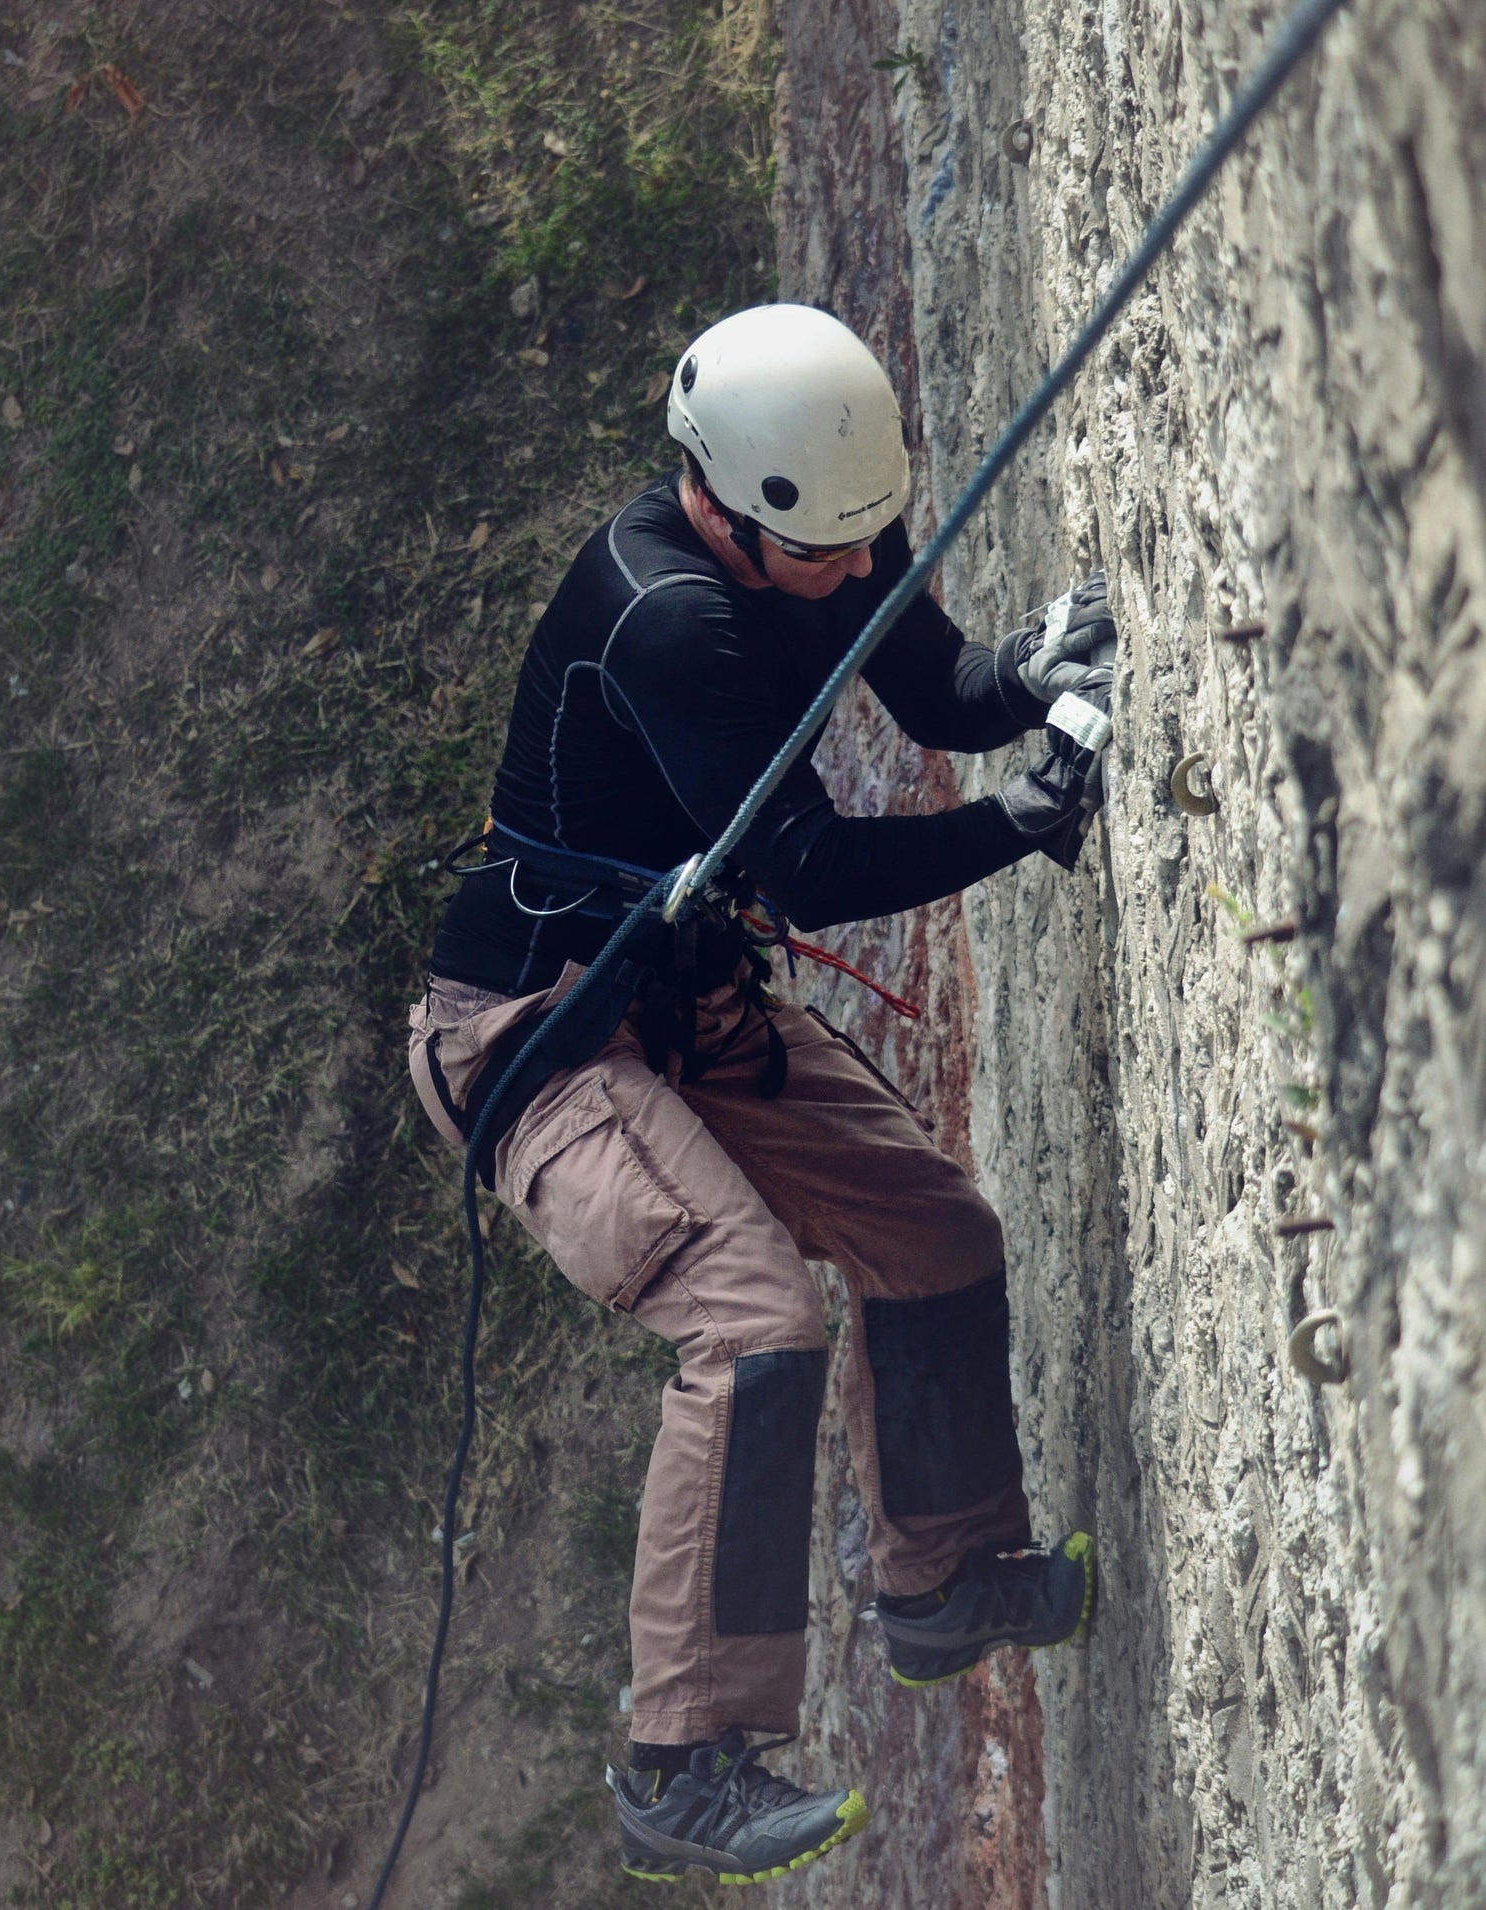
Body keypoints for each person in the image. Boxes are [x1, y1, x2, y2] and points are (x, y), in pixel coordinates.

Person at [407, 303, 1113, 1885]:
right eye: (835, 555)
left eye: (875, 539)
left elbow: (928, 683)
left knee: (931, 1226)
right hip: (537, 1031)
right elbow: (803, 866)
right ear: (725, 507)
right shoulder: (668, 617)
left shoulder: (821, 510)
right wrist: (1018, 822)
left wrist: (1026, 675)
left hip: (677, 994)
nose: (864, 572)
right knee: (749, 1315)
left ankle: (939, 1580)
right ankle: (682, 1757)